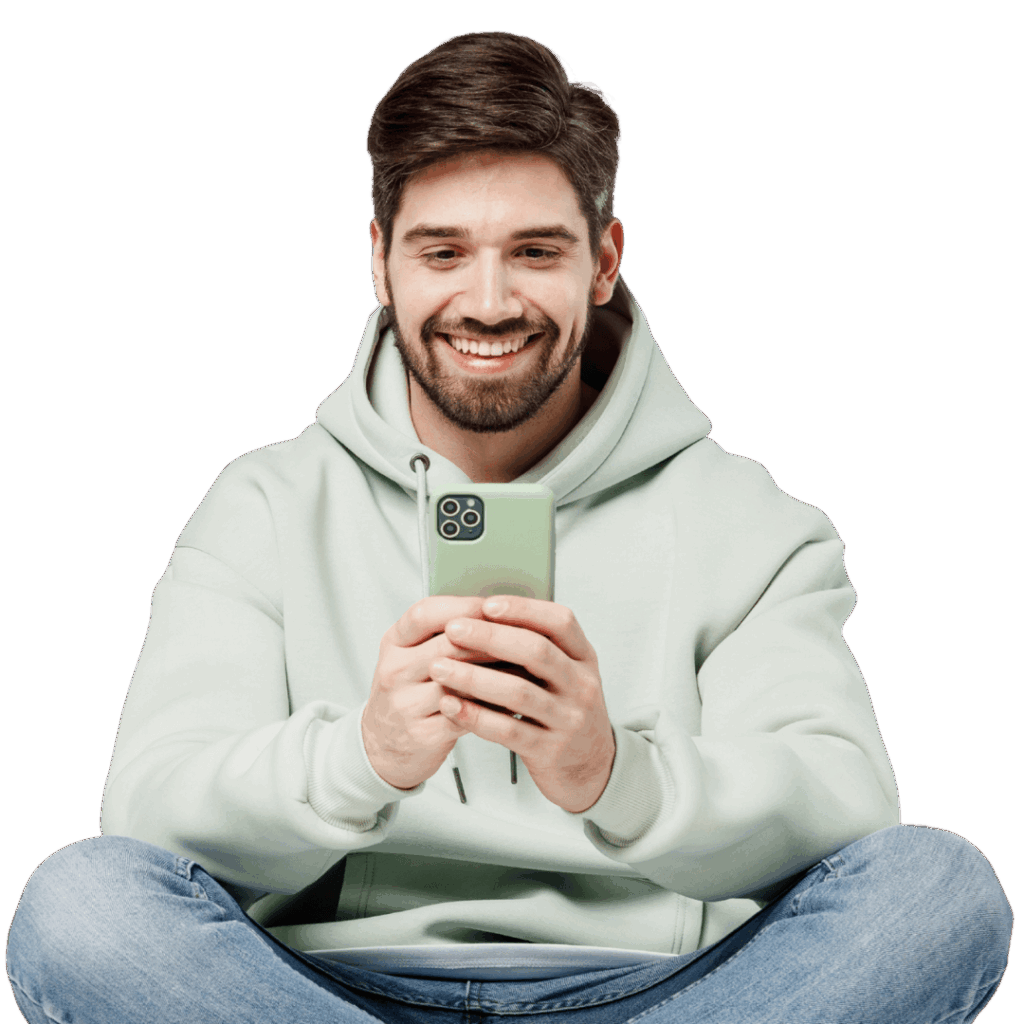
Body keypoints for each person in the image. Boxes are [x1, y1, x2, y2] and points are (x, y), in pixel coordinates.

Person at [6, 30, 1012, 1024]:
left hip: (661, 996)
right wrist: (361, 755)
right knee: (79, 905)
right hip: (317, 992)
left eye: (534, 251)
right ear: (380, 263)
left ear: (603, 260)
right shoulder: (264, 505)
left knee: (936, 891)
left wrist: (612, 771)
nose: (486, 303)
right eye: (442, 252)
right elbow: (147, 814)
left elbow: (843, 810)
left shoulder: (748, 522)